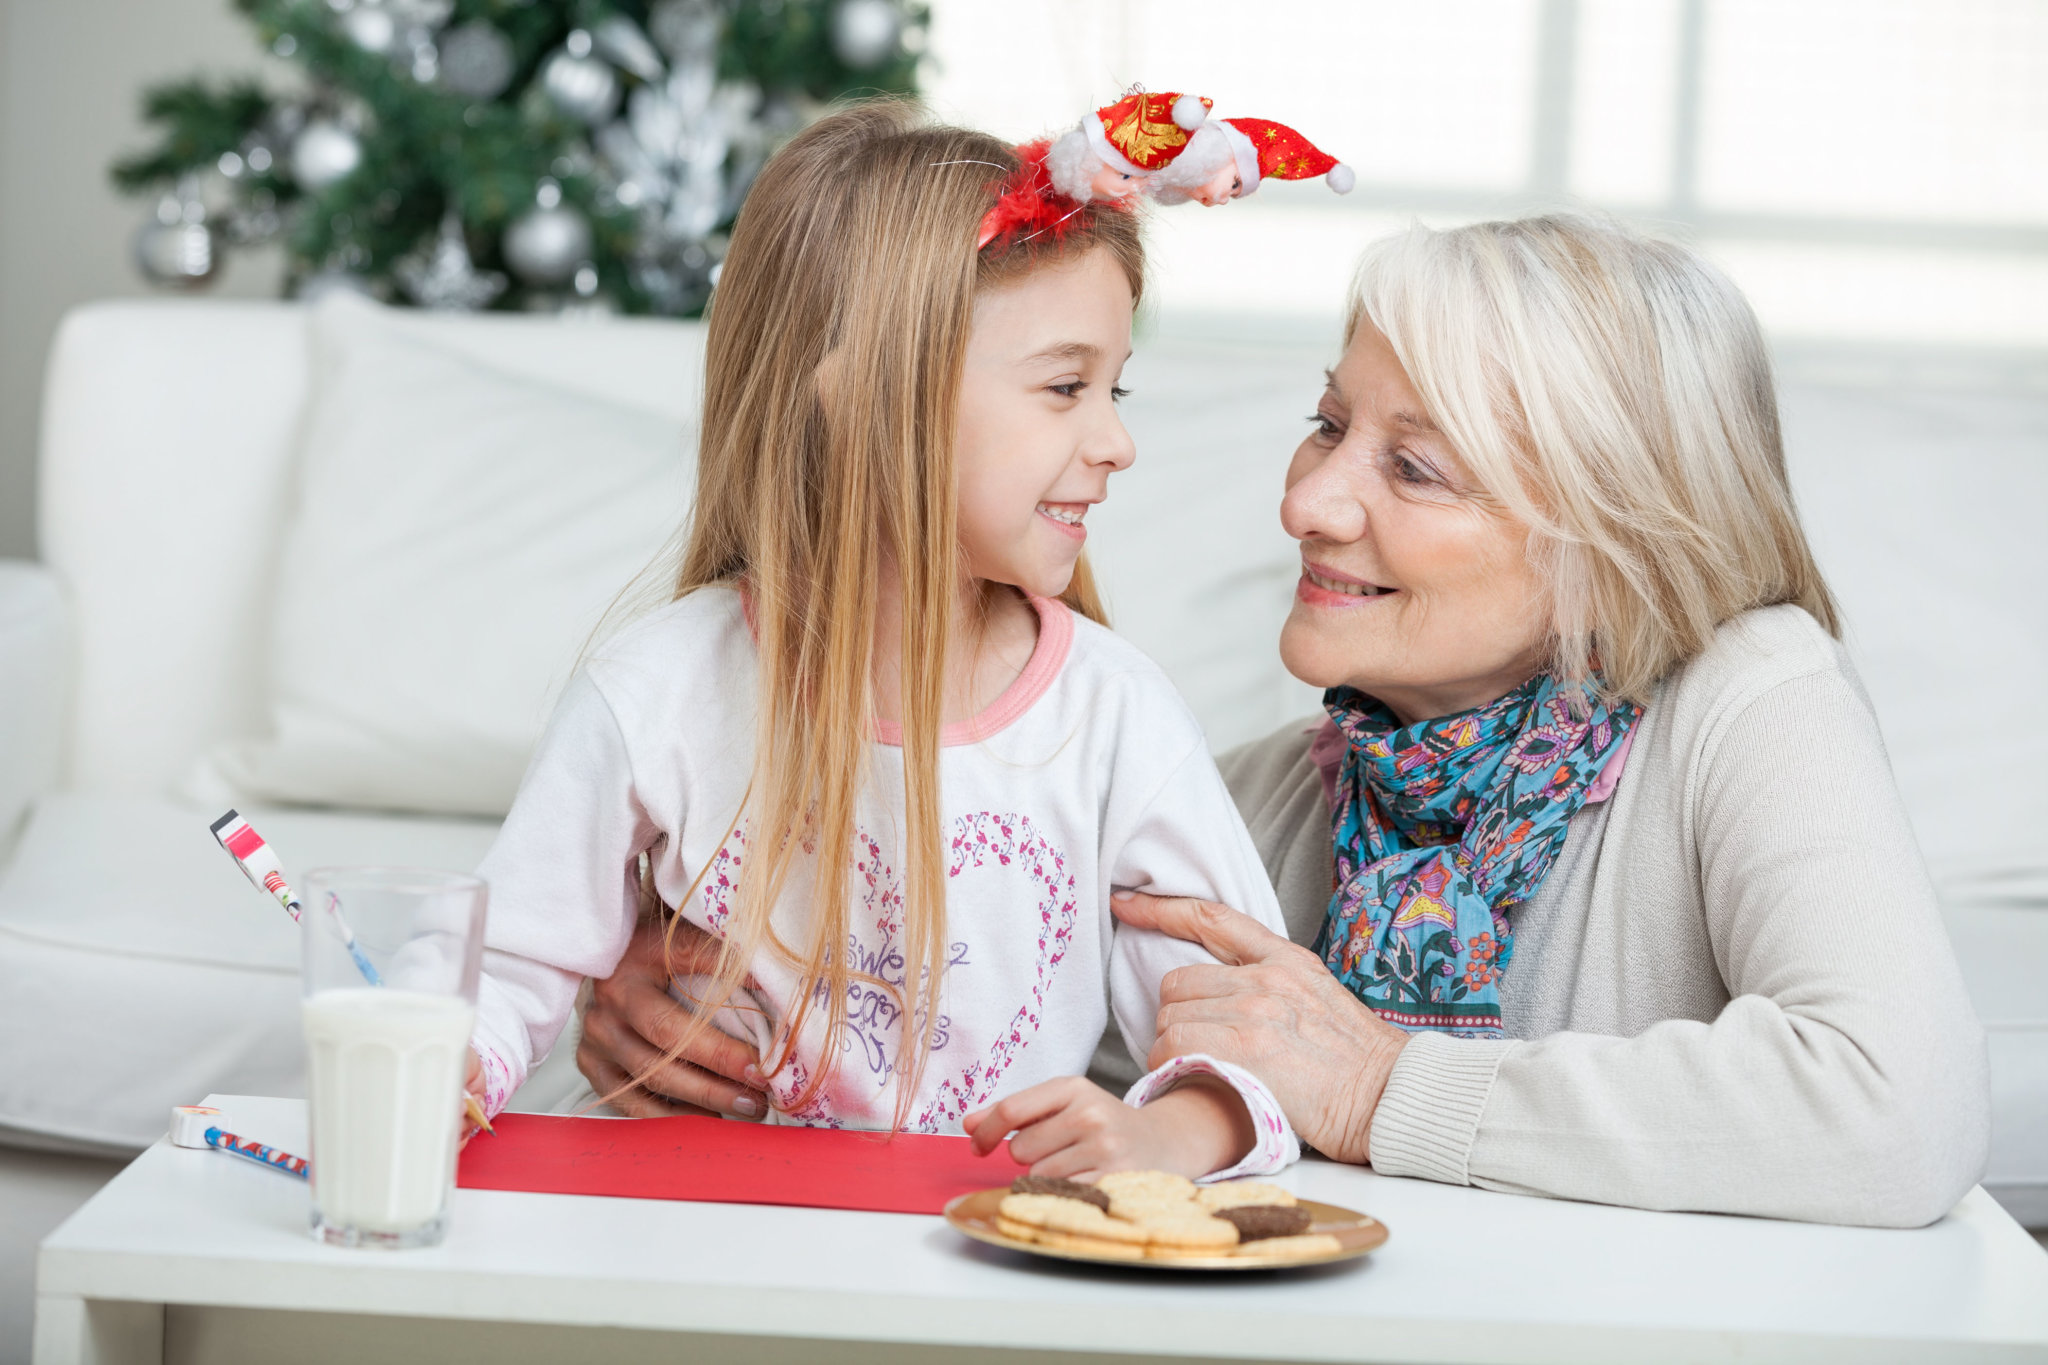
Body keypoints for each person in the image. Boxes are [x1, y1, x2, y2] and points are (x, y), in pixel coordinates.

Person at [580, 211, 1991, 1228]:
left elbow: (1894, 1109)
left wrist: (1379, 1084)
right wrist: (705, 995)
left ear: (1607, 543)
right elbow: (981, 1042)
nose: (1310, 501)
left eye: (1415, 467)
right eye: (1328, 426)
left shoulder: (1754, 697)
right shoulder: (1257, 796)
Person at [459, 101, 1300, 1182]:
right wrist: (444, 1071)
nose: (1118, 442)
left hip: (964, 1266)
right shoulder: (658, 688)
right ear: (866, 402)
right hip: (677, 1236)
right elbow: (503, 971)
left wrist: (1162, 1134)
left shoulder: (1115, 720)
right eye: (1063, 388)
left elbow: (1243, 1046)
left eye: (1113, 387)